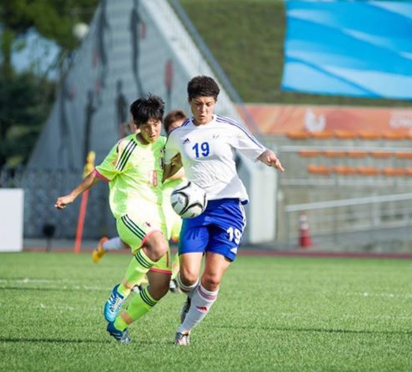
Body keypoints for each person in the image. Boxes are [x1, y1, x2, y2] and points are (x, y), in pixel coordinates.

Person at [163, 76, 285, 346]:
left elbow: (258, 150)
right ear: (190, 102)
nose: (203, 110)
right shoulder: (178, 135)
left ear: (215, 103)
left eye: (208, 104)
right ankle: (190, 296)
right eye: (198, 104)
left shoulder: (228, 128)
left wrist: (270, 158)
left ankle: (184, 330)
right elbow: (168, 163)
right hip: (196, 210)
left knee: (213, 277)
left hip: (229, 206)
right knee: (187, 277)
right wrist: (162, 178)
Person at [55, 94, 173, 343]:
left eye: (156, 123)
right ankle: (120, 291)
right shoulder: (125, 147)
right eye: (146, 125)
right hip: (130, 213)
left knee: (161, 286)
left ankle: (118, 326)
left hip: (157, 217)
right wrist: (72, 195)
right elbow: (98, 174)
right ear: (136, 126)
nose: (152, 130)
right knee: (158, 245)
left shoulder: (165, 145)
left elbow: (177, 169)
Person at [92, 110, 188, 294]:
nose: (180, 132)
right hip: (165, 203)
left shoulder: (185, 148)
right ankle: (134, 279)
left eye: (183, 127)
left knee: (188, 241)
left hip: (183, 205)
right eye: (175, 128)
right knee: (151, 243)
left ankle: (171, 277)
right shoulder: (163, 150)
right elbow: (160, 175)